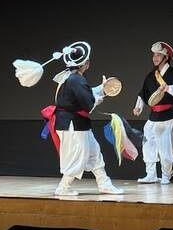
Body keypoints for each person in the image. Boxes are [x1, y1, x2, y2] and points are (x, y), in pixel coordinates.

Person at [52, 41, 124, 196]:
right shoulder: (76, 79)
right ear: (85, 63)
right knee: (77, 156)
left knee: (94, 153)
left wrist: (102, 89)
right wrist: (98, 99)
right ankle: (63, 188)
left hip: (77, 123)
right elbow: (88, 104)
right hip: (72, 124)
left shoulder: (72, 77)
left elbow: (85, 93)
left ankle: (104, 184)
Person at [133, 41, 173, 185]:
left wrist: (169, 88)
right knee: (148, 144)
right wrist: (138, 107)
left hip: (169, 115)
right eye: (154, 55)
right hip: (153, 116)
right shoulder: (151, 75)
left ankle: (165, 175)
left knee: (166, 146)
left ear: (166, 57)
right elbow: (143, 93)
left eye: (158, 55)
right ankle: (150, 174)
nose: (155, 58)